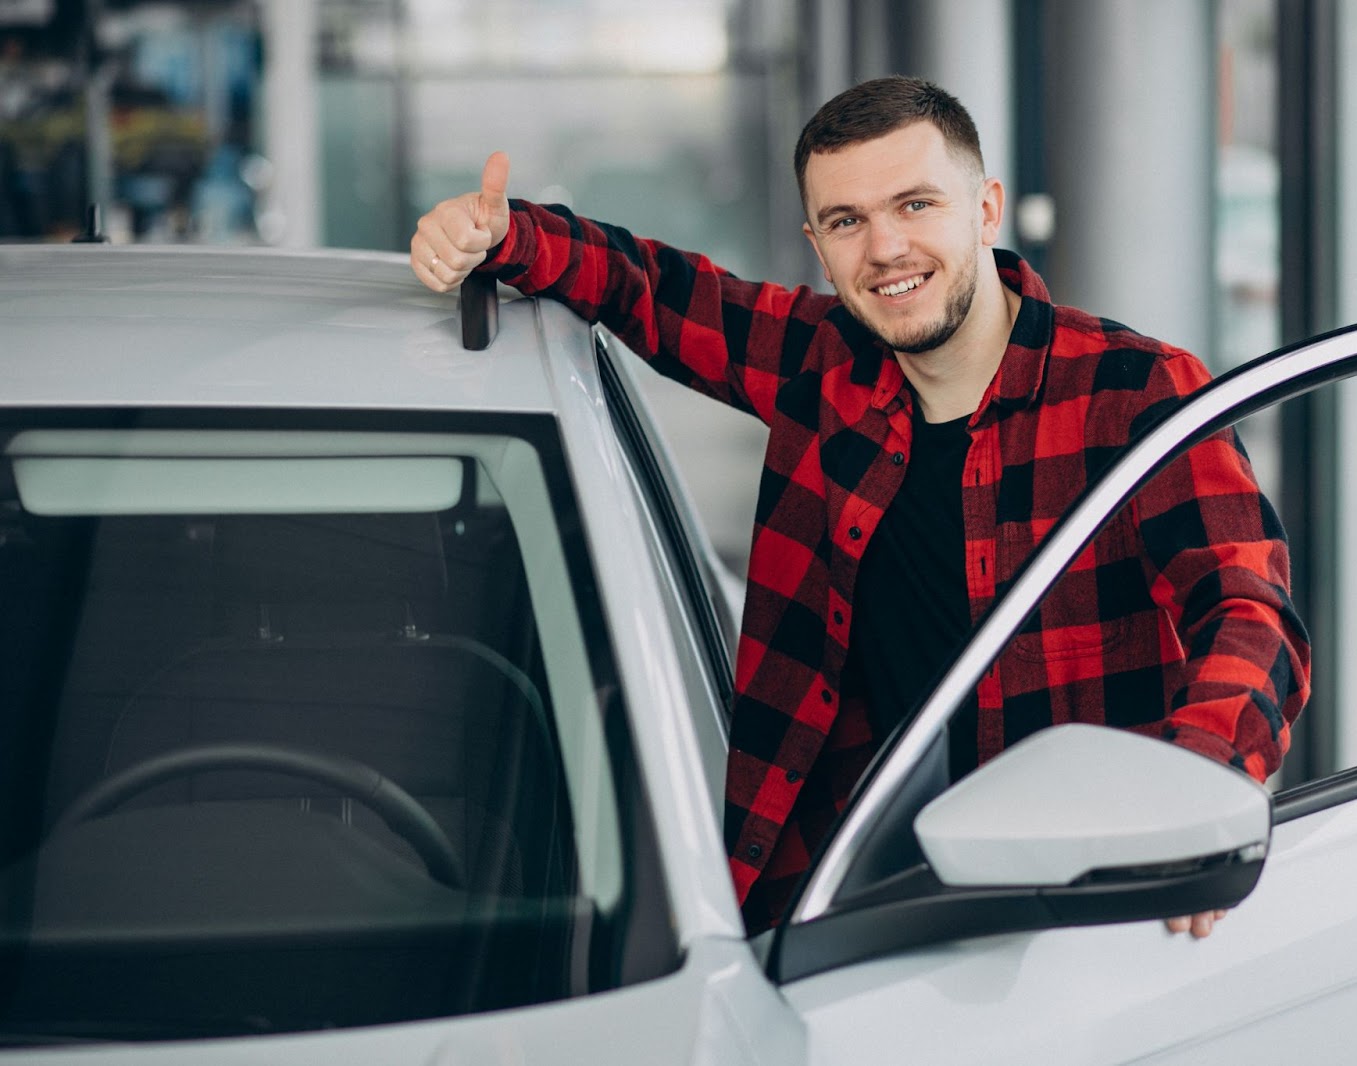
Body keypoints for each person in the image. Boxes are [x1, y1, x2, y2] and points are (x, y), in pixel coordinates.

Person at [411, 76, 1310, 940]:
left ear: (986, 209)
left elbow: (1248, 609)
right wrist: (504, 238)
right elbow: (653, 288)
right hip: (842, 906)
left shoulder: (1130, 389)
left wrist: (1195, 799)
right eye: (848, 221)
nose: (884, 250)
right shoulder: (822, 366)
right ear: (817, 239)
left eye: (916, 205)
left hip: (1071, 905)